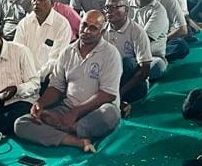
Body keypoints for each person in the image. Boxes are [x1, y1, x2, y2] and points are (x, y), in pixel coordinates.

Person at [14, 10, 123, 152]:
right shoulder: (67, 52)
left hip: (96, 111)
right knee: (21, 124)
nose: (86, 31)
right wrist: (40, 103)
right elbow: (56, 87)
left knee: (110, 115)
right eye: (84, 25)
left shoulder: (111, 54)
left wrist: (74, 113)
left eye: (93, 28)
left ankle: (67, 128)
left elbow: (107, 95)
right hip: (67, 109)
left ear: (102, 33)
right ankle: (76, 140)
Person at [103, 0, 154, 110]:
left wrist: (118, 93)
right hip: (110, 80)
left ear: (126, 10)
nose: (109, 11)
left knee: (127, 62)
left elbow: (145, 71)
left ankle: (117, 101)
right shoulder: (102, 30)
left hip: (131, 84)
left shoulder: (137, 32)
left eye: (114, 7)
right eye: (107, 7)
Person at [13, 0, 73, 81]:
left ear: (52, 3)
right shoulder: (24, 23)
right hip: (23, 76)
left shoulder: (62, 25)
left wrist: (36, 78)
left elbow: (55, 60)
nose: (36, 3)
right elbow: (17, 53)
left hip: (47, 78)